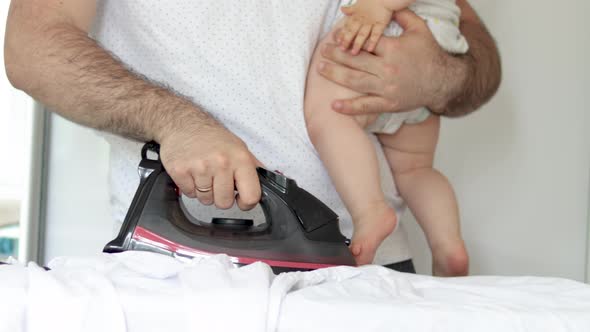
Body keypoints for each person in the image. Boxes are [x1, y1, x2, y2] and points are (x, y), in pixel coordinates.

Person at [4, 0, 500, 274]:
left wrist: (435, 74)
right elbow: (33, 48)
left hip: (370, 260)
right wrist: (176, 121)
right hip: (187, 269)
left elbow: (478, 60)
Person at [305, 0, 471, 275]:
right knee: (415, 169)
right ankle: (448, 245)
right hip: (437, 39)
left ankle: (370, 210)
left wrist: (380, 5)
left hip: (385, 29)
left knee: (328, 117)